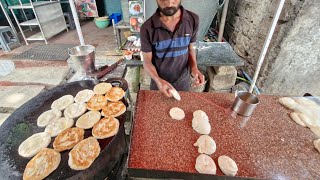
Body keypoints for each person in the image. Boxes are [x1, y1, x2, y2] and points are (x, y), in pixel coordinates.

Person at [140, 0, 205, 97]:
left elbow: (191, 49)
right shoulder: (147, 28)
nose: (169, 4)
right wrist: (158, 80)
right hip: (159, 85)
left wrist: (194, 68)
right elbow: (147, 62)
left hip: (183, 82)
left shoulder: (193, 20)